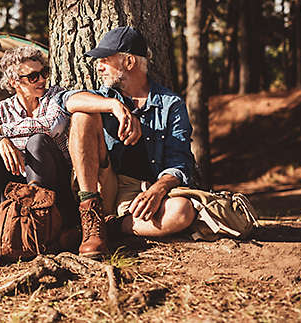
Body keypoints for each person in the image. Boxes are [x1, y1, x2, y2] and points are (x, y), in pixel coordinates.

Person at [57, 26, 197, 259]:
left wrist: (158, 189)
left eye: (105, 60)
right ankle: (91, 218)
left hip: (139, 195)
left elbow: (180, 162)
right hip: (102, 185)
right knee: (82, 115)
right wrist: (114, 106)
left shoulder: (171, 104)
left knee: (181, 211)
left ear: (129, 62)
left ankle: (109, 228)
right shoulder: (103, 97)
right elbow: (66, 101)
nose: (98, 67)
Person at [0, 46, 77, 269]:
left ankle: (39, 229)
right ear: (14, 82)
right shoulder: (3, 108)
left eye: (44, 72)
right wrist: (0, 142)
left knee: (37, 141)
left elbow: (51, 126)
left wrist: (2, 131)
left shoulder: (55, 97)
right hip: (18, 190)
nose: (41, 79)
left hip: (54, 190)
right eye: (32, 76)